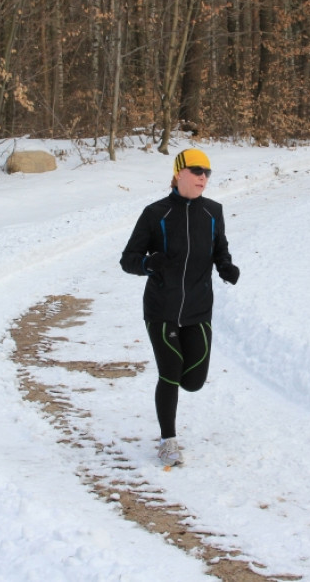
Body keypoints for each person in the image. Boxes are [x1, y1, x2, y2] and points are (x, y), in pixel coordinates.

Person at [120, 148, 240, 467]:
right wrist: (148, 263)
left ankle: (169, 429)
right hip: (162, 308)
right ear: (178, 174)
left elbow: (220, 251)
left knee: (194, 381)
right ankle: (168, 440)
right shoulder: (155, 213)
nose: (204, 177)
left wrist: (226, 267)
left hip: (199, 310)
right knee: (170, 373)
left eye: (208, 173)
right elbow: (128, 260)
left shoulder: (213, 212)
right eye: (197, 170)